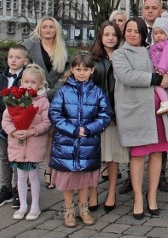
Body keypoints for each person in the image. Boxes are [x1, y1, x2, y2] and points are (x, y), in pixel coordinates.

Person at [113, 17, 168, 219]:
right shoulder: (120, 53)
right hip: (137, 112)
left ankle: (152, 196)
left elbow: (166, 68)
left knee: (157, 154)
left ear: (143, 33)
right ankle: (138, 198)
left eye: (136, 31)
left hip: (158, 110)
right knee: (138, 155)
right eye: (129, 31)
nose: (132, 34)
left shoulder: (152, 49)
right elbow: (127, 76)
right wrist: (156, 79)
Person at [49, 52, 112, 228]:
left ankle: (84, 208)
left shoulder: (98, 92)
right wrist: (73, 130)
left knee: (85, 179)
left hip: (88, 144)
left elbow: (105, 115)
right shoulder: (63, 91)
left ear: (92, 70)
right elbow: (55, 114)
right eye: (78, 69)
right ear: (72, 70)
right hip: (66, 144)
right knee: (68, 179)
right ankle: (69, 209)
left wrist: (89, 129)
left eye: (85, 69)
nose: (82, 73)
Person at [23, 16, 70, 190]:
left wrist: (55, 90)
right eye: (45, 27)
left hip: (54, 97)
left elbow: (66, 74)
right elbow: (22, 67)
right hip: (33, 97)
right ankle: (28, 174)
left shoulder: (62, 49)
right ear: (39, 29)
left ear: (56, 30)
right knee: (32, 135)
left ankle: (49, 171)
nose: (48, 30)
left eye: (51, 27)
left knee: (51, 135)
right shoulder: (30, 45)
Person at [2, 64, 51, 221]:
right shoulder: (15, 99)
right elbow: (6, 119)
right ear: (21, 83)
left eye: (33, 82)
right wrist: (13, 131)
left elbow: (47, 122)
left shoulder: (42, 102)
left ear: (40, 84)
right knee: (21, 177)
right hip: (18, 143)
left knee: (33, 176)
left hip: (34, 144)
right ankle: (23, 205)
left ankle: (35, 206)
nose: (29, 85)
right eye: (26, 82)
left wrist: (32, 131)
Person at [91, 21, 128, 213]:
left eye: (114, 35)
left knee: (112, 156)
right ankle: (93, 191)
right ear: (101, 37)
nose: (110, 38)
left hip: (116, 114)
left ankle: (112, 191)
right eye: (107, 34)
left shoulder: (123, 57)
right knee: (94, 156)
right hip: (96, 115)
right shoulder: (93, 58)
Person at [0, 44, 28, 209]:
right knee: (5, 157)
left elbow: (28, 103)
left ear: (25, 61)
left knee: (18, 159)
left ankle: (19, 189)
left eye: (18, 57)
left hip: (20, 128)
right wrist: (1, 123)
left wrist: (20, 124)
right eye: (11, 57)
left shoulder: (26, 79)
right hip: (2, 129)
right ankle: (6, 188)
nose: (13, 60)